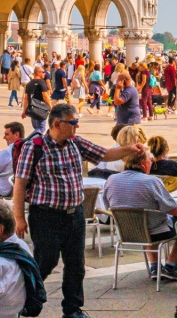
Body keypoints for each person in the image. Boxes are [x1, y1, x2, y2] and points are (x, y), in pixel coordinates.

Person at [13, 102, 144, 318]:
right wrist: (19, 217)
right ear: (57, 123)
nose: (77, 127)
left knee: (76, 264)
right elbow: (20, 183)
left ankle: (72, 309)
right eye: (73, 122)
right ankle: (29, 300)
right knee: (46, 260)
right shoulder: (35, 146)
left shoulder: (76, 143)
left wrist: (129, 149)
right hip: (46, 215)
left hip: (75, 214)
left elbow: (105, 154)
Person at [101, 148, 177, 281]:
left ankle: (155, 267)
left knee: (147, 222)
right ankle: (170, 266)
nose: (151, 163)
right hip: (155, 231)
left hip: (126, 231)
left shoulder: (111, 180)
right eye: (150, 160)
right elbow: (171, 208)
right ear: (143, 164)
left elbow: (108, 206)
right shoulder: (150, 181)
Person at [21, 66, 51, 135]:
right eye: (43, 72)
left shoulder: (29, 83)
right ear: (38, 73)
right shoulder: (41, 82)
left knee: (37, 128)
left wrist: (24, 111)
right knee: (41, 129)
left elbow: (26, 98)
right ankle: (30, 139)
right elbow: (45, 96)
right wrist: (50, 106)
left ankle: (36, 143)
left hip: (32, 109)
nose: (45, 74)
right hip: (41, 109)